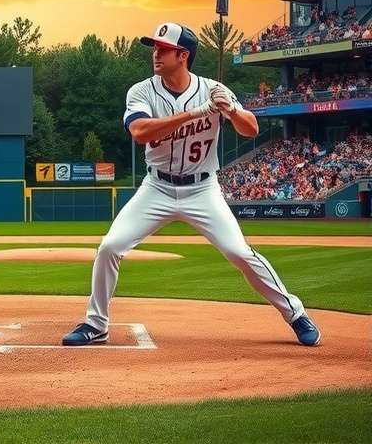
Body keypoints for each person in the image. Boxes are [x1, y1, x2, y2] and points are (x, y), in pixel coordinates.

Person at [61, 22, 321, 347]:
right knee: (110, 247)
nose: (155, 53)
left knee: (239, 252)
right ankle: (96, 324)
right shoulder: (141, 91)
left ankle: (296, 314)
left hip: (202, 189)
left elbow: (251, 129)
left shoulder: (212, 88)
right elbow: (140, 132)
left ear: (182, 55)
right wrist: (195, 112)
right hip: (156, 188)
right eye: (155, 47)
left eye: (163, 49)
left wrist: (229, 108)